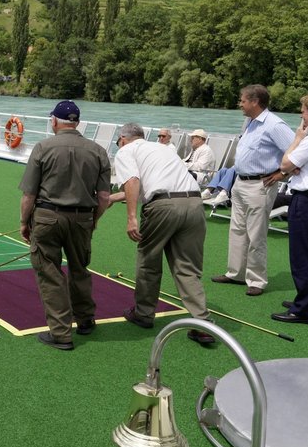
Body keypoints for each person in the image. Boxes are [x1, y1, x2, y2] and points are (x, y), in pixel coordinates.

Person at [111, 122, 215, 345]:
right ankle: (203, 323)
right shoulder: (162, 149)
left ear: (123, 138)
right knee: (188, 267)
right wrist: (111, 199)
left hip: (163, 207)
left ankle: (144, 314)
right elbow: (156, 183)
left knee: (149, 260)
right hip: (194, 204)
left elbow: (132, 181)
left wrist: (131, 217)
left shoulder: (126, 151)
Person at [19, 100, 111, 350]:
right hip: (82, 218)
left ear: (54, 122)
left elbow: (29, 195)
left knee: (50, 272)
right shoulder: (98, 151)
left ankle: (60, 333)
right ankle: (85, 320)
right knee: (80, 269)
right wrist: (93, 220)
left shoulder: (42, 148)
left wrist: (24, 223)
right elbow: (104, 197)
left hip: (48, 217)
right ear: (77, 122)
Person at [211, 84, 294, 296]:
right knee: (237, 229)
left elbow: (296, 152)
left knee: (256, 234)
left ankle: (256, 280)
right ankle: (236, 273)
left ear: (255, 102)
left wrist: (282, 175)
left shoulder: (275, 125)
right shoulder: (248, 121)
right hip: (240, 182)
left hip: (261, 184)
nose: (240, 104)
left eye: (243, 100)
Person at [271, 93, 308, 325]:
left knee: (303, 257)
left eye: (304, 111)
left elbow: (285, 164)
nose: (301, 115)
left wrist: (298, 138)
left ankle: (302, 310)